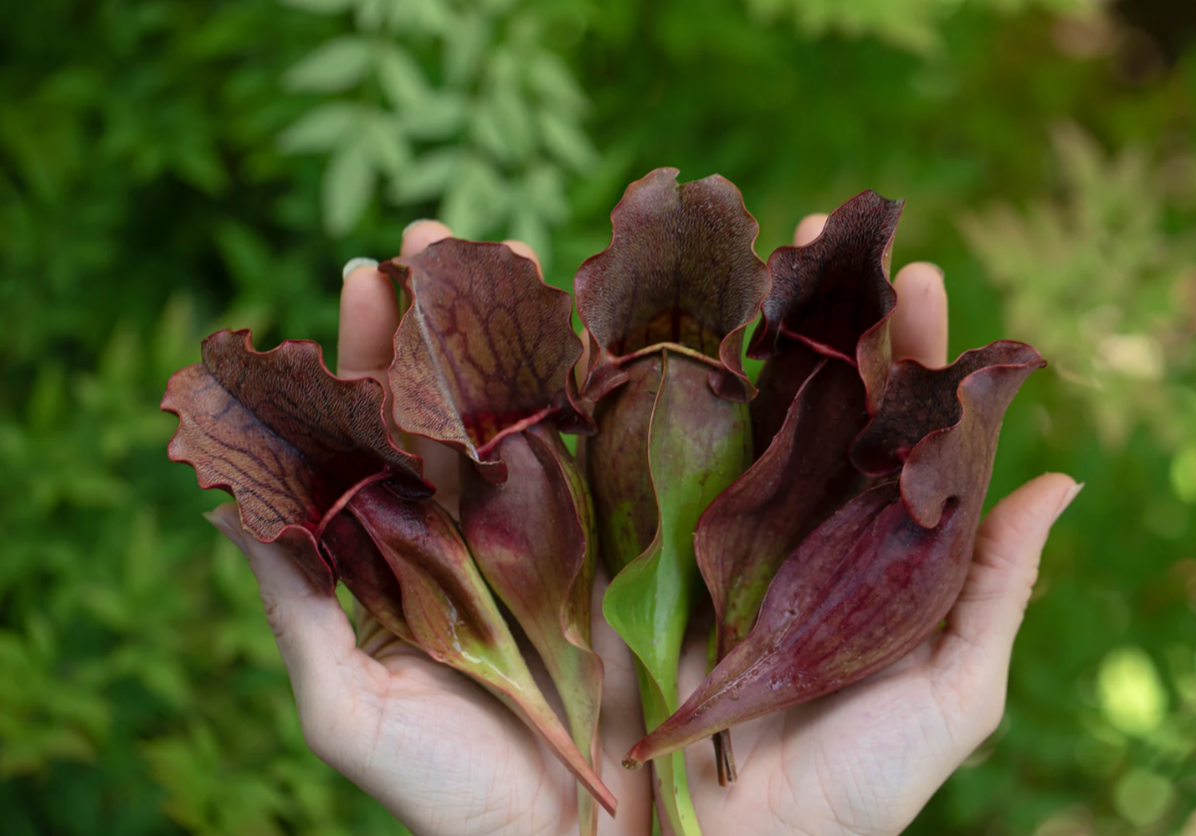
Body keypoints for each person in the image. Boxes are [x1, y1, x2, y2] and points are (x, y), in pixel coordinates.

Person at [206, 215, 1082, 836]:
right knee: (642, 628)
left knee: (715, 631)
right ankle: (642, 695)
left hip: (740, 574)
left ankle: (688, 694)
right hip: (597, 571)